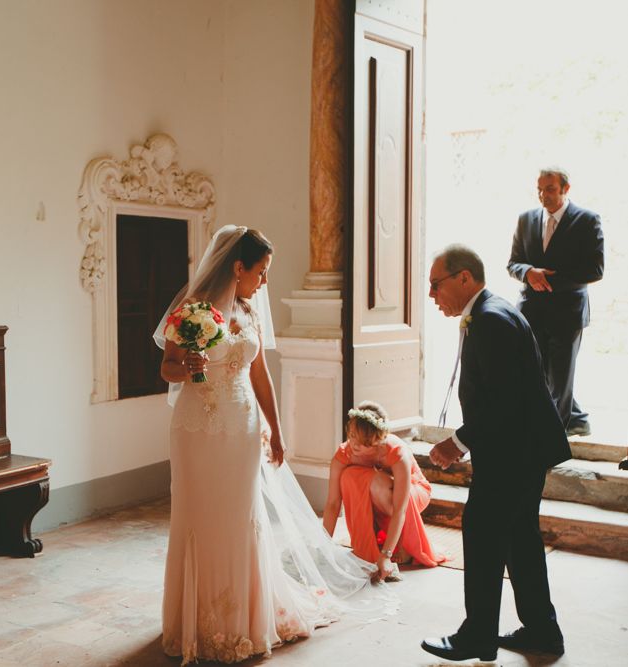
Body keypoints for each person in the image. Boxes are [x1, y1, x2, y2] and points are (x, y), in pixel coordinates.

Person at [153, 225, 397, 665]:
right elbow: (167, 368)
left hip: (242, 425)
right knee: (196, 513)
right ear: (238, 266)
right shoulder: (193, 310)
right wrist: (187, 366)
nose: (265, 281)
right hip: (194, 427)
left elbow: (260, 372)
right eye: (261, 272)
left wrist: (278, 429)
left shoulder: (249, 313)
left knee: (239, 516)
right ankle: (195, 619)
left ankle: (243, 619)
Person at [421, 244, 571, 662]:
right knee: (520, 539)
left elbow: (503, 402)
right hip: (521, 449)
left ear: (464, 278)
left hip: (512, 452)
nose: (432, 295)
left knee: (484, 536)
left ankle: (478, 636)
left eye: (436, 284)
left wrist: (457, 442)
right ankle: (542, 631)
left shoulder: (490, 320)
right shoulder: (490, 312)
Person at [507, 167, 604, 436]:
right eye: (539, 189)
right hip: (531, 311)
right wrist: (528, 272)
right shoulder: (526, 219)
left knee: (560, 377)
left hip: (567, 312)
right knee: (535, 373)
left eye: (549, 189)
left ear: (565, 189)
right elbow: (512, 263)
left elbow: (595, 269)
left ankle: (552, 437)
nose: (543, 195)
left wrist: (548, 279)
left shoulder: (587, 220)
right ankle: (578, 419)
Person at [323, 401, 445, 581]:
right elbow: (333, 504)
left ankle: (403, 545)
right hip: (380, 494)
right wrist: (323, 546)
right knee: (349, 477)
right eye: (352, 436)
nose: (355, 445)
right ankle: (368, 547)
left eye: (363, 441)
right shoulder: (344, 454)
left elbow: (400, 509)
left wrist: (386, 556)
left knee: (377, 483)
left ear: (378, 438)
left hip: (413, 493)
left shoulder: (395, 452)